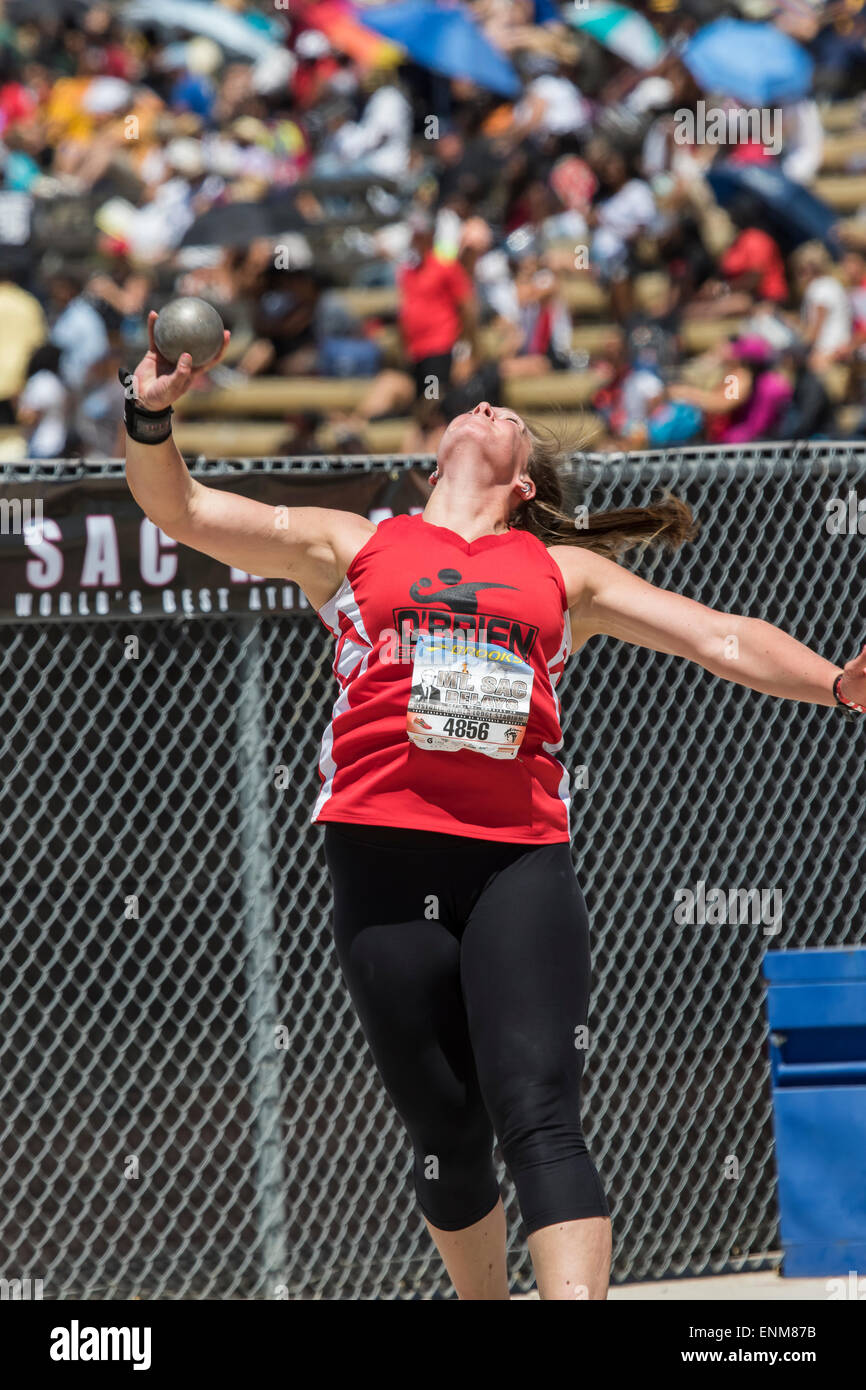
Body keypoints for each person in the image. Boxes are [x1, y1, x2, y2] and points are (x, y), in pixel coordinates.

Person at [122, 313, 866, 1301]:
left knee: (540, 1109)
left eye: (505, 413)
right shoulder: (354, 543)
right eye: (473, 403)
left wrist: (835, 684)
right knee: (442, 1124)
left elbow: (720, 638)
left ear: (521, 483)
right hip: (381, 854)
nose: (481, 403)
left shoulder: (560, 572)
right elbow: (181, 511)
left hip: (516, 857)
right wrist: (146, 417)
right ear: (433, 457)